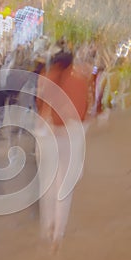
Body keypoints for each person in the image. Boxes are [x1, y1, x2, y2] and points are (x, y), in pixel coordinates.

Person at [36, 49, 90, 249]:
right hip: (69, 136)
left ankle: (47, 225)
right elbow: (82, 111)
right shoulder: (78, 80)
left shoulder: (45, 78)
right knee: (64, 186)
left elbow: (39, 105)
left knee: (47, 184)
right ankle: (58, 232)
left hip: (47, 134)